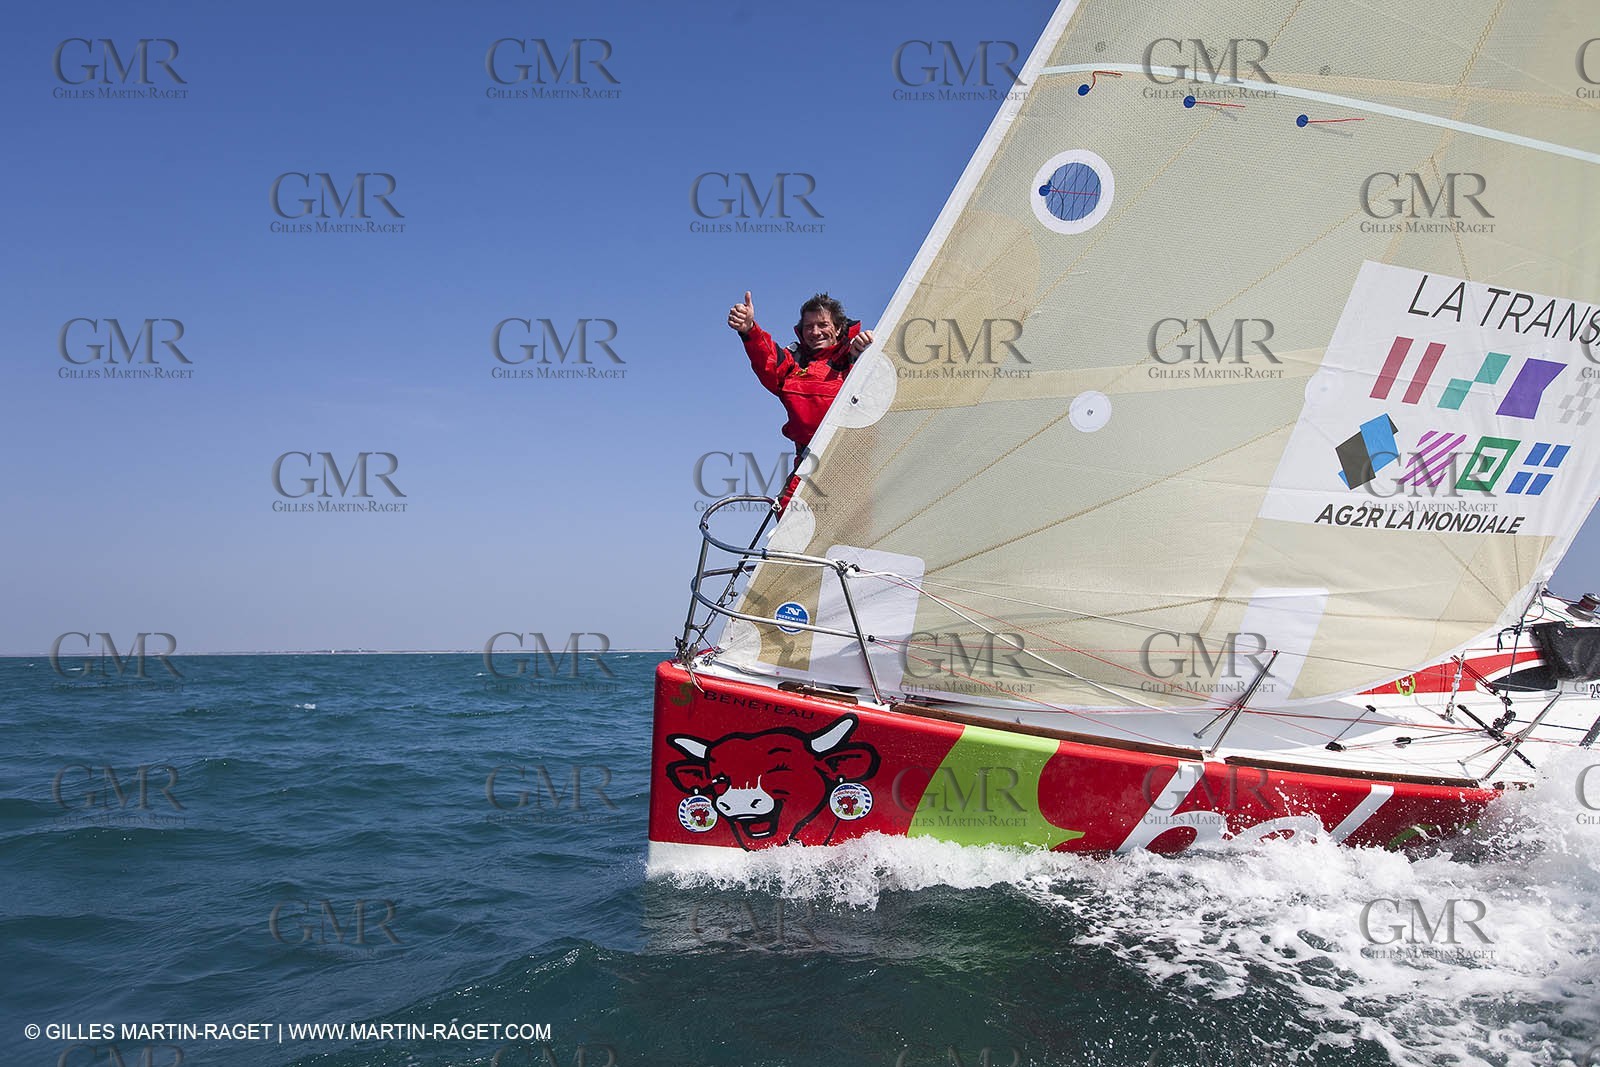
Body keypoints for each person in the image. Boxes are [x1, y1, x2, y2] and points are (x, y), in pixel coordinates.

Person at [727, 291, 874, 511]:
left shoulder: (856, 356)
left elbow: (878, 390)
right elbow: (767, 361)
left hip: (854, 464)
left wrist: (869, 347)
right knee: (790, 517)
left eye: (823, 324)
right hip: (808, 464)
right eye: (809, 326)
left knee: (855, 527)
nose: (815, 332)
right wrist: (749, 329)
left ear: (839, 328)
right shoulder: (793, 363)